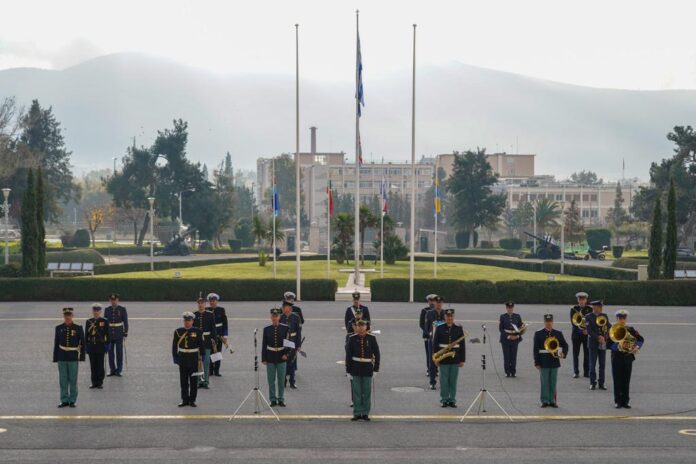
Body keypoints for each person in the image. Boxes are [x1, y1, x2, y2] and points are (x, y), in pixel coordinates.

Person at [345, 319, 380, 421]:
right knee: (356, 392)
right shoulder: (352, 338)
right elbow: (348, 356)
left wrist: (376, 369)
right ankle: (357, 412)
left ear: (366, 327)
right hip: (355, 368)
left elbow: (377, 354)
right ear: (356, 328)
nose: (361, 329)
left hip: (367, 367)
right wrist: (348, 370)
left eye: (362, 326)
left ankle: (365, 413)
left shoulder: (372, 338)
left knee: (366, 392)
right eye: (359, 327)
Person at [533, 314, 569, 408]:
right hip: (543, 361)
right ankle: (544, 400)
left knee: (553, 382)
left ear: (552, 322)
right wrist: (536, 362)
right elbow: (535, 349)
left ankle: (552, 400)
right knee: (544, 382)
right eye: (546, 322)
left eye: (550, 322)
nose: (548, 323)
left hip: (554, 361)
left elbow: (565, 345)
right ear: (544, 322)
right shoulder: (539, 333)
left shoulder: (558, 333)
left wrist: (563, 353)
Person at [432, 308, 466, 407]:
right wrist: (436, 358)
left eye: (451, 316)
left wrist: (462, 359)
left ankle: (452, 400)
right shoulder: (439, 328)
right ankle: (444, 399)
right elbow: (435, 344)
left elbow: (462, 345)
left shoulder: (459, 328)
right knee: (444, 380)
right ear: (445, 317)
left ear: (453, 317)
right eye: (448, 316)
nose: (449, 318)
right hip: (443, 358)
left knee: (453, 380)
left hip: (455, 358)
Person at [610, 310, 644, 408]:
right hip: (616, 358)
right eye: (620, 318)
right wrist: (618, 346)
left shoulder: (630, 329)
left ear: (626, 319)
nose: (622, 320)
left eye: (623, 318)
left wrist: (637, 347)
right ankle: (617, 401)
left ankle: (626, 401)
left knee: (626, 380)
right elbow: (608, 344)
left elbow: (641, 339)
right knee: (617, 380)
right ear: (616, 319)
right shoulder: (612, 329)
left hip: (627, 358)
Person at [53, 308, 85, 408]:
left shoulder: (78, 328)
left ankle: (73, 400)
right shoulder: (58, 328)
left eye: (69, 315)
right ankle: (64, 400)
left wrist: (82, 357)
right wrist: (55, 357)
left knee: (73, 380)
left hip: (73, 357)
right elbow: (56, 343)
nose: (67, 317)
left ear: (72, 315)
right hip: (62, 356)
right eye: (66, 315)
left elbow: (83, 343)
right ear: (63, 316)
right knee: (62, 380)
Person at [172, 312, 204, 407]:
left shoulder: (198, 331)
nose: (187, 323)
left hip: (194, 358)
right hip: (182, 358)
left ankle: (192, 400)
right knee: (183, 381)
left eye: (189, 321)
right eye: (185, 321)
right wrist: (175, 357)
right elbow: (174, 346)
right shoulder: (178, 331)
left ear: (192, 321)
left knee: (194, 381)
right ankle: (184, 400)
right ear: (183, 321)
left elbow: (201, 345)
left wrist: (202, 358)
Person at [262, 308, 290, 407]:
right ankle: (273, 399)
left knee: (281, 380)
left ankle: (281, 399)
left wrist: (286, 354)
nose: (275, 318)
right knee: (271, 380)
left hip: (281, 357)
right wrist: (264, 358)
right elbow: (264, 344)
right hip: (270, 357)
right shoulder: (266, 329)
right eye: (273, 316)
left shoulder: (285, 328)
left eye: (276, 316)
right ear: (271, 317)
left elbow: (288, 343)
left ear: (279, 317)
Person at [586, 300, 611, 391]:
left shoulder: (604, 316)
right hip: (593, 343)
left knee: (602, 364)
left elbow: (608, 327)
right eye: (599, 307)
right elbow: (589, 330)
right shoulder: (589, 317)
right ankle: (592, 383)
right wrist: (598, 337)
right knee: (592, 364)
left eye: (601, 307)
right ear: (595, 307)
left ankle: (601, 383)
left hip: (603, 343)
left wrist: (604, 337)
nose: (601, 309)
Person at [194, 296, 217, 389]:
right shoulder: (194, 315)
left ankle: (206, 381)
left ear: (205, 304)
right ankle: (199, 380)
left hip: (207, 341)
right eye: (199, 303)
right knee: (197, 362)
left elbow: (213, 329)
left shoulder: (210, 314)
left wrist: (214, 341)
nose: (200, 305)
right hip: (196, 342)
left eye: (202, 303)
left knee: (206, 362)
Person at [85, 303, 109, 389]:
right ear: (92, 311)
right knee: (93, 365)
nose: (96, 312)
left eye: (97, 310)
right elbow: (86, 335)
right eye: (94, 310)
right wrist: (86, 346)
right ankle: (93, 382)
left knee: (100, 365)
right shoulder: (88, 321)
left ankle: (99, 382)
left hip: (100, 346)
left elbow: (108, 334)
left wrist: (107, 345)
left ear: (100, 311)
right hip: (91, 345)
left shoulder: (104, 321)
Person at [424, 295, 446, 390]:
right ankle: (432, 382)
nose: (439, 304)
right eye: (437, 303)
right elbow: (426, 327)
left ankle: (444, 381)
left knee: (444, 361)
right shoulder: (429, 313)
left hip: (443, 341)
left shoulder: (446, 313)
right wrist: (430, 334)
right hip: (432, 341)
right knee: (432, 361)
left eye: (440, 303)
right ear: (435, 303)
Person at [105, 293, 128, 377]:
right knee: (110, 353)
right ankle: (112, 370)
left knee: (119, 352)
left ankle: (119, 370)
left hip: (119, 333)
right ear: (110, 301)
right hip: (110, 333)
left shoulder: (122, 309)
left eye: (115, 300)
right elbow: (105, 322)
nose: (113, 301)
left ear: (117, 300)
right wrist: (104, 333)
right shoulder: (107, 310)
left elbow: (125, 321)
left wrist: (125, 332)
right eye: (112, 300)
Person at [280, 300, 302, 389]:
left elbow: (298, 332)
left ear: (289, 308)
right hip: (283, 342)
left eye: (284, 307)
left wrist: (298, 345)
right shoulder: (281, 317)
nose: (282, 309)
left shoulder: (296, 317)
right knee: (283, 362)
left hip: (293, 341)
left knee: (292, 362)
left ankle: (292, 382)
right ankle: (283, 381)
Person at [570, 291, 592, 379]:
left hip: (586, 335)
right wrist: (582, 330)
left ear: (586, 300)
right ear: (578, 300)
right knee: (576, 354)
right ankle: (576, 372)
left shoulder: (590, 309)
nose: (581, 301)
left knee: (587, 354)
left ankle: (586, 372)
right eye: (580, 299)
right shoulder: (573, 309)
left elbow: (591, 322)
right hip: (576, 335)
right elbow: (573, 323)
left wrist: (587, 330)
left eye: (583, 299)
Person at [498, 301, 524, 378]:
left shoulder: (517, 316)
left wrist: (517, 336)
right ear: (506, 308)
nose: (510, 309)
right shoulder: (502, 316)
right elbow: (501, 329)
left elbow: (521, 328)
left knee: (513, 355)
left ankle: (513, 371)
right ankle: (507, 371)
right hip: (505, 339)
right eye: (508, 308)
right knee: (506, 356)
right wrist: (508, 336)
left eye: (511, 308)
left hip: (515, 339)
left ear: (513, 308)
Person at [206, 293, 228, 377]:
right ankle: (210, 370)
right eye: (211, 301)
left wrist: (225, 335)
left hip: (219, 334)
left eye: (214, 301)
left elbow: (225, 323)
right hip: (210, 335)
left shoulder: (221, 310)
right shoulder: (206, 309)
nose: (212, 302)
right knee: (210, 352)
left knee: (218, 352)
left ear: (216, 301)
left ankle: (217, 370)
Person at [419, 294, 438, 377]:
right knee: (429, 354)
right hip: (428, 336)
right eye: (430, 301)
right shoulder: (424, 311)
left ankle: (436, 369)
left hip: (438, 337)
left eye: (433, 301)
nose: (431, 302)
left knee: (437, 353)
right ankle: (429, 369)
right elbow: (421, 324)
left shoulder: (439, 311)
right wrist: (428, 332)